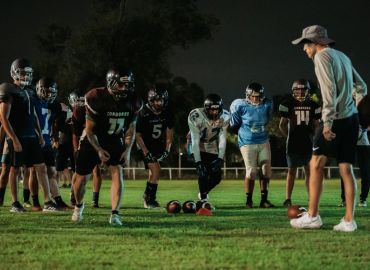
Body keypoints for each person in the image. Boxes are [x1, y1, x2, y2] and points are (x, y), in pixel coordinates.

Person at [290, 25, 367, 232]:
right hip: (351, 120)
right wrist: (353, 107)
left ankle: (313, 217)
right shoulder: (342, 56)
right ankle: (349, 221)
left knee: (315, 164)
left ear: (316, 43)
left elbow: (329, 92)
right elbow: (362, 87)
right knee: (346, 168)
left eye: (305, 44)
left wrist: (327, 123)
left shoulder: (321, 57)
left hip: (335, 120)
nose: (304, 49)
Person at [72, 68, 141, 225]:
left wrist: (128, 150)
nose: (125, 89)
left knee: (117, 172)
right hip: (92, 139)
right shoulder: (96, 97)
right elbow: (89, 131)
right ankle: (78, 207)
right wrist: (98, 150)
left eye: (128, 85)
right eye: (121, 85)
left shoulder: (134, 100)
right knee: (82, 179)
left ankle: (115, 214)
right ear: (111, 84)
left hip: (114, 139)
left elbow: (131, 129)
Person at [0, 58, 57, 212]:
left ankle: (47, 202)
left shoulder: (31, 90)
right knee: (15, 170)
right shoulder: (8, 89)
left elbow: (34, 115)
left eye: (28, 73)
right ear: (14, 73)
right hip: (17, 137)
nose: (26, 76)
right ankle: (15, 203)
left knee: (41, 168)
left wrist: (38, 134)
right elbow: (3, 118)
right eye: (22, 73)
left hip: (31, 136)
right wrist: (13, 139)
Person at [230, 83, 274, 208]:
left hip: (263, 140)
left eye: (258, 96)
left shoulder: (267, 104)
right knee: (251, 172)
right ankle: (249, 201)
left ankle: (264, 200)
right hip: (247, 142)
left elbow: (268, 119)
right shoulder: (240, 105)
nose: (256, 99)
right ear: (248, 96)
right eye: (253, 96)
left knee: (266, 170)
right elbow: (234, 125)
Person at [279, 79, 321, 207]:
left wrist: (316, 139)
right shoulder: (287, 103)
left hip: (308, 143)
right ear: (294, 90)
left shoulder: (314, 105)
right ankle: (287, 198)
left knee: (309, 171)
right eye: (298, 89)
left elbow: (317, 125)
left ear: (308, 91)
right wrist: (288, 136)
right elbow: (282, 125)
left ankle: (311, 198)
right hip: (293, 143)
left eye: (303, 90)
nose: (301, 92)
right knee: (291, 170)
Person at [33, 76, 70, 210]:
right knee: (37, 171)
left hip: (47, 142)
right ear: (38, 89)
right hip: (34, 141)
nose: (48, 95)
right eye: (46, 92)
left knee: (52, 171)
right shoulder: (33, 101)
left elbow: (60, 117)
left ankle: (57, 199)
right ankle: (43, 202)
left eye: (51, 92)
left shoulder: (52, 105)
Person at [188, 94, 230, 209]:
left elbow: (222, 138)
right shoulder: (196, 115)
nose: (215, 113)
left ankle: (203, 192)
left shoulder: (225, 116)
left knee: (217, 177)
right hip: (198, 143)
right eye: (212, 110)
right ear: (206, 109)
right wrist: (198, 162)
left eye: (217, 109)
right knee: (203, 172)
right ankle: (204, 199)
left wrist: (220, 158)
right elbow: (195, 140)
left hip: (211, 145)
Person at [136, 86, 173, 208]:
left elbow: (169, 131)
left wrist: (167, 149)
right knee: (156, 170)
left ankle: (148, 198)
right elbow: (138, 134)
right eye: (156, 100)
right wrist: (145, 151)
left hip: (157, 144)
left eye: (161, 100)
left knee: (153, 173)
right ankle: (149, 199)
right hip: (143, 144)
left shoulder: (167, 111)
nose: (158, 103)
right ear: (150, 100)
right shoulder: (143, 112)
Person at [70, 90, 103, 208]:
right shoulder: (77, 113)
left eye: (81, 101)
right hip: (82, 145)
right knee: (78, 173)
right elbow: (75, 135)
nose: (79, 104)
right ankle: (74, 195)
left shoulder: (94, 110)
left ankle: (95, 199)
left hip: (95, 143)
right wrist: (76, 150)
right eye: (77, 101)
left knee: (97, 171)